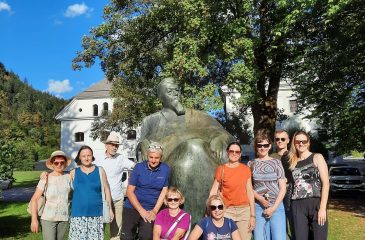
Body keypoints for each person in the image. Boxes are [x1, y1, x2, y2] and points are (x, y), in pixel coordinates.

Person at [138, 77, 234, 222]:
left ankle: (202, 222)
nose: (175, 94)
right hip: (167, 167)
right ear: (161, 96)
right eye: (169, 91)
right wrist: (143, 144)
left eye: (177, 90)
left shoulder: (197, 116)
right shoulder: (151, 120)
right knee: (192, 147)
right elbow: (140, 146)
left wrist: (219, 139)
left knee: (194, 147)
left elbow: (225, 134)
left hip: (202, 163)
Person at [121, 142, 170, 240]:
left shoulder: (165, 169)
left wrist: (154, 211)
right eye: (151, 157)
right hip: (133, 207)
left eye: (156, 158)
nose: (153, 160)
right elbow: (129, 192)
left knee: (147, 236)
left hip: (151, 209)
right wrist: (141, 210)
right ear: (147, 156)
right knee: (126, 237)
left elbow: (164, 191)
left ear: (161, 158)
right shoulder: (138, 167)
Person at [209, 142, 255, 239]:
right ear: (227, 152)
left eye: (237, 152)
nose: (234, 153)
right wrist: (210, 210)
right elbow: (213, 191)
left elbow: (250, 193)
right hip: (227, 211)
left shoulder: (246, 169)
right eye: (232, 151)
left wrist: (252, 216)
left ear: (240, 153)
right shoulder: (221, 169)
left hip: (244, 211)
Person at [94, 132, 135, 240]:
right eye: (112, 144)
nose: (114, 147)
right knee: (99, 230)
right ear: (106, 145)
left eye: (116, 145)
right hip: (101, 199)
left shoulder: (121, 158)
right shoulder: (98, 159)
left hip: (117, 199)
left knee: (116, 232)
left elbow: (135, 167)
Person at [289, 131, 329, 240]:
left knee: (319, 237)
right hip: (297, 205)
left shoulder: (317, 157)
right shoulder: (292, 161)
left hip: (316, 204)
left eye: (304, 141)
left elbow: (326, 183)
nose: (301, 144)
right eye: (298, 141)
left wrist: (322, 208)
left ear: (308, 142)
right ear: (294, 143)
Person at [69, 145, 114, 240]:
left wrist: (110, 209)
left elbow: (107, 190)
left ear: (92, 156)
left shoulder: (100, 171)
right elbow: (62, 184)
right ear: (79, 158)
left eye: (89, 155)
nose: (86, 158)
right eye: (83, 156)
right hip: (78, 215)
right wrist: (46, 175)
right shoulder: (73, 172)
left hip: (96, 215)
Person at [247, 130, 286, 240]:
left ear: (270, 146)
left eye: (265, 145)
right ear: (256, 147)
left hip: (277, 206)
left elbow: (283, 188)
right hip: (258, 207)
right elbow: (248, 187)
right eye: (260, 145)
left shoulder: (277, 163)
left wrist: (273, 208)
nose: (262, 148)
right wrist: (260, 198)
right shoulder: (251, 164)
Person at [30, 150, 72, 240]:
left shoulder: (69, 177)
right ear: (52, 164)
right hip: (48, 218)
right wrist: (34, 220)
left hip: (64, 218)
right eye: (56, 163)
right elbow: (34, 199)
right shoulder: (46, 178)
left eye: (62, 162)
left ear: (65, 163)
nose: (59, 165)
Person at [270, 130, 295, 239]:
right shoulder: (270, 157)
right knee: (279, 222)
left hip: (291, 192)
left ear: (288, 141)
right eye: (277, 139)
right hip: (275, 192)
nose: (280, 141)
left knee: (293, 221)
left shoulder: (294, 156)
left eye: (283, 139)